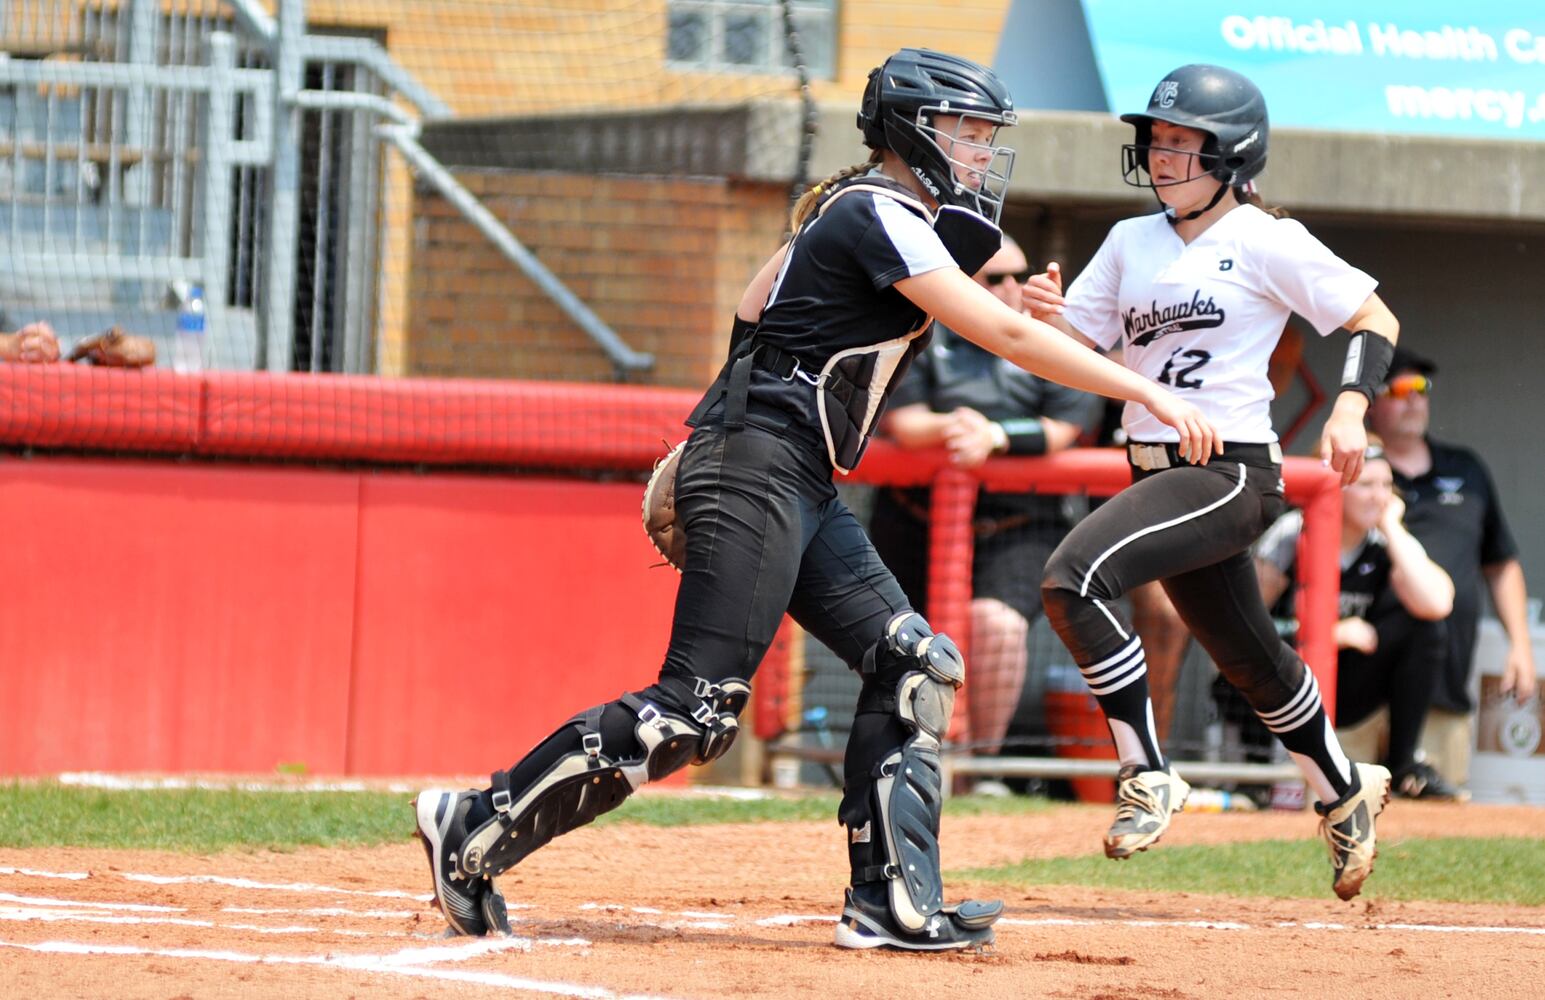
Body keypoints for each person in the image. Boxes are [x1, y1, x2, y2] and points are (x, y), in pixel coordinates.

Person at [411, 47, 1218, 952]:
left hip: (795, 476)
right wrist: (1145, 392)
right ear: (913, 129)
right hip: (757, 464)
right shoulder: (874, 208)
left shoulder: (874, 220)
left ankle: (892, 905)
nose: (982, 154)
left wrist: (1048, 325)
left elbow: (795, 314)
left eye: (988, 137)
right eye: (967, 134)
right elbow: (990, 327)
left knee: (916, 665)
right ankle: (476, 824)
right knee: (698, 708)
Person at [1023, 64, 1401, 900]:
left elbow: (1375, 317)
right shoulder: (1128, 241)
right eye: (1154, 140)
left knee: (1070, 580)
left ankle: (1146, 772)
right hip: (1153, 466)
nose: (1160, 156)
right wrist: (1041, 316)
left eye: (1181, 142)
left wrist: (1347, 410)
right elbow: (1083, 353)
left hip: (1229, 470)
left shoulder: (1267, 237)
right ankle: (1342, 790)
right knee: (1251, 661)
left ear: (1230, 153)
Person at [868, 234, 1098, 788]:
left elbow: (1065, 428)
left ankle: (976, 767)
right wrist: (958, 429)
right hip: (916, 519)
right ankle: (890, 761)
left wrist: (993, 435)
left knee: (993, 625)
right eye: (994, 277)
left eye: (1018, 275)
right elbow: (905, 423)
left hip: (1017, 525)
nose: (1011, 288)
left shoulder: (1050, 338)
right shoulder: (921, 327)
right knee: (892, 637)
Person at [1248, 438, 1462, 800]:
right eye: (1366, 485)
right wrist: (1324, 633)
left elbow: (1438, 602)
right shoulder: (1293, 532)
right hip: (1287, 681)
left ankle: (1405, 767)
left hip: (1349, 686)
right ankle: (1249, 781)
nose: (1378, 497)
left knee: (1426, 628)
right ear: (1336, 485)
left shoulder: (1383, 541)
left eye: (1386, 486)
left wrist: (1393, 526)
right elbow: (1246, 624)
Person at [1367, 346, 1537, 788]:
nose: (1415, 399)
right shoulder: (1353, 471)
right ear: (1369, 400)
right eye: (1401, 388)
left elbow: (1500, 564)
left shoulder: (1466, 470)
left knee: (1436, 829)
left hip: (1443, 689)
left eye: (1422, 387)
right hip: (1357, 692)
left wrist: (1519, 644)